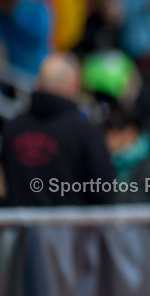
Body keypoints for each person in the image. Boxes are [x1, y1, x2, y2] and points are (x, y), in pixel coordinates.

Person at [0, 53, 114, 206]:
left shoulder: (13, 128)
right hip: (74, 227)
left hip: (20, 227)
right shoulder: (84, 130)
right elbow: (104, 190)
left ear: (38, 83)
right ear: (74, 85)